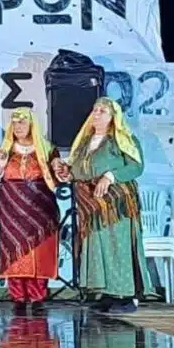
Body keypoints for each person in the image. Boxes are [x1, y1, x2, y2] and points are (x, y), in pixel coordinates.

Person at [54, 97, 154, 314]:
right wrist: (67, 173)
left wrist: (109, 176)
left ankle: (127, 296)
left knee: (118, 246)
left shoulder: (123, 140)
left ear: (113, 117)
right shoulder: (84, 142)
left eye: (102, 111)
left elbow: (136, 167)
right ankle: (107, 292)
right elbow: (79, 170)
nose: (96, 114)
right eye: (95, 110)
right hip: (92, 207)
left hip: (116, 205)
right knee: (98, 247)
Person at [0, 107, 61, 315]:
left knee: (39, 250)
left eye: (22, 122)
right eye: (15, 123)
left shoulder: (47, 149)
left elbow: (57, 178)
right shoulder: (5, 149)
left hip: (39, 205)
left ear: (31, 124)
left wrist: (60, 169)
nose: (18, 127)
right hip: (12, 206)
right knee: (14, 249)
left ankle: (38, 295)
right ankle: (18, 296)